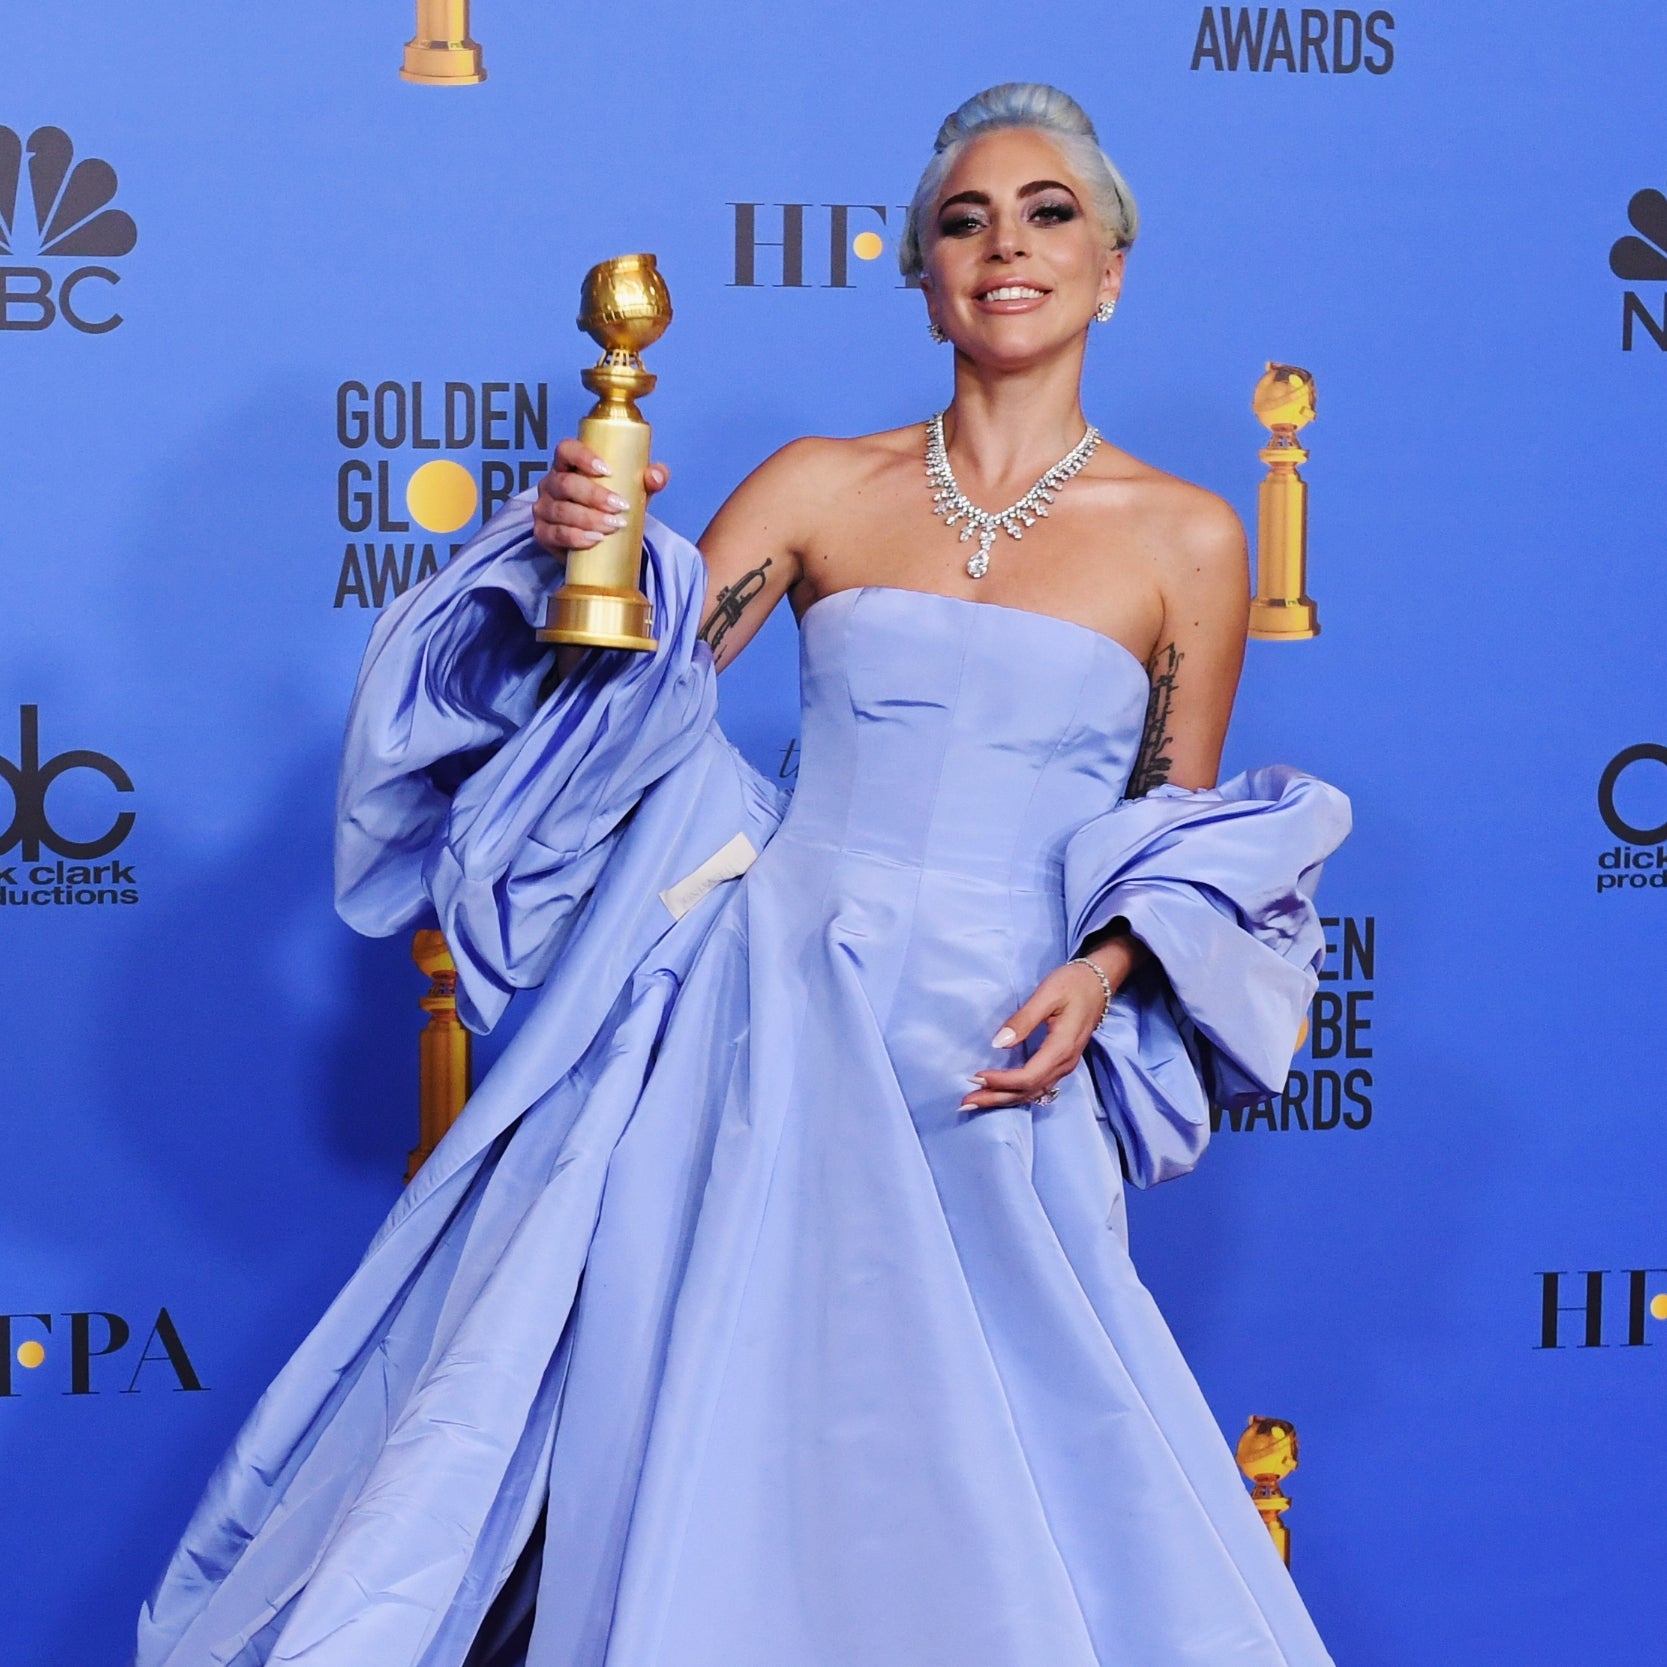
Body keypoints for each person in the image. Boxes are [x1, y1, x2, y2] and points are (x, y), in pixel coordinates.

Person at [136, 83, 1349, 1667]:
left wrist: (1105, 973)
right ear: (922, 273)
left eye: (1049, 213)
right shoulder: (820, 487)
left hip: (999, 1050)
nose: (1005, 246)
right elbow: (635, 691)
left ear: (1111, 269)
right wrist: (583, 547)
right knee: (715, 1421)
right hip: (771, 1012)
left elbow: (1177, 834)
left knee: (1003, 1455)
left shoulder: (1189, 535)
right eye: (964, 219)